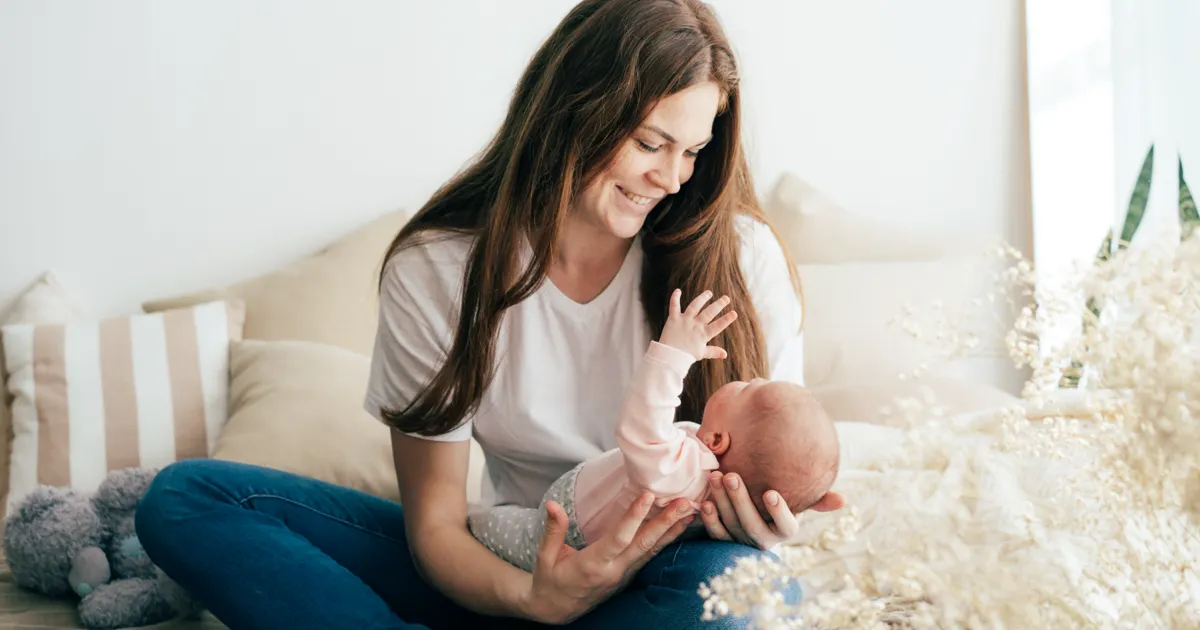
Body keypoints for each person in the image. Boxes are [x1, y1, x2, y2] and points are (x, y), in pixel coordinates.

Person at [136, 0, 819, 627]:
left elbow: (775, 464)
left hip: (661, 574)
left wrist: (764, 524)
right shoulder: (439, 268)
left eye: (693, 152)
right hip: (509, 566)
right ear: (574, 110)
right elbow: (434, 528)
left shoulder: (740, 260)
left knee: (752, 589)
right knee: (188, 499)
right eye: (649, 143)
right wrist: (535, 598)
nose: (672, 178)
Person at [468, 288, 844, 573]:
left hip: (559, 537)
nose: (750, 377)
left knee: (480, 529)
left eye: (748, 388)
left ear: (717, 440)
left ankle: (468, 526)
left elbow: (642, 426)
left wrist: (674, 355)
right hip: (573, 530)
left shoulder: (683, 472)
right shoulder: (696, 474)